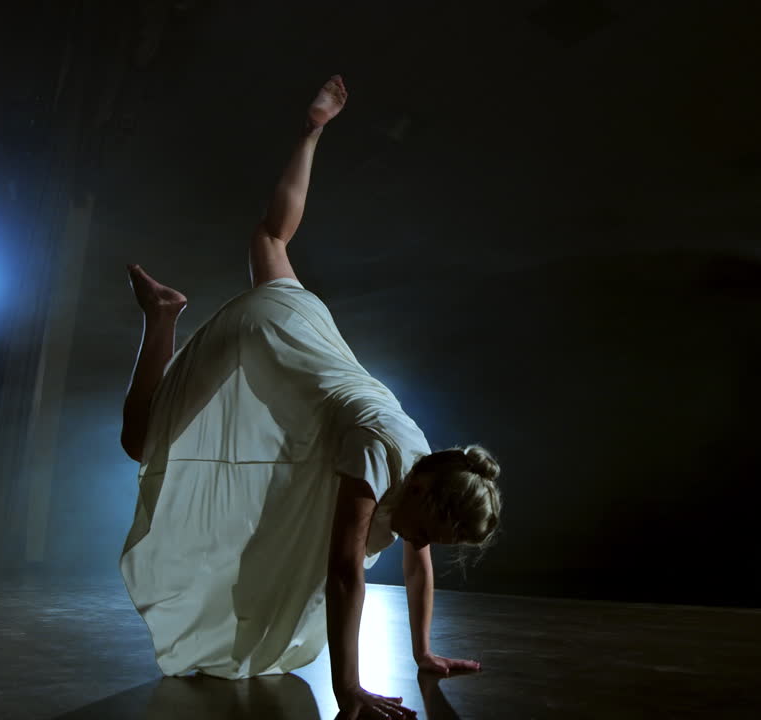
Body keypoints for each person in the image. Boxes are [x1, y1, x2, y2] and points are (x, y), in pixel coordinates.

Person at [116, 75, 502, 720]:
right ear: (425, 492)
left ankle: (312, 130)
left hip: (308, 327)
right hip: (268, 340)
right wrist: (348, 691)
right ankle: (161, 319)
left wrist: (424, 654)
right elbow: (344, 572)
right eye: (426, 529)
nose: (416, 541)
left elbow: (418, 566)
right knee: (140, 442)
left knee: (270, 240)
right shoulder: (379, 456)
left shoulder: (430, 467)